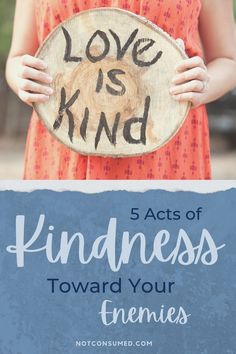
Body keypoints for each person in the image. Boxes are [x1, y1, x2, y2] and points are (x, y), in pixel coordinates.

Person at [5, 0, 236, 180]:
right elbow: (16, 58)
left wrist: (204, 85)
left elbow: (228, 60)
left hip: (166, 155)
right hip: (61, 151)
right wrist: (22, 77)